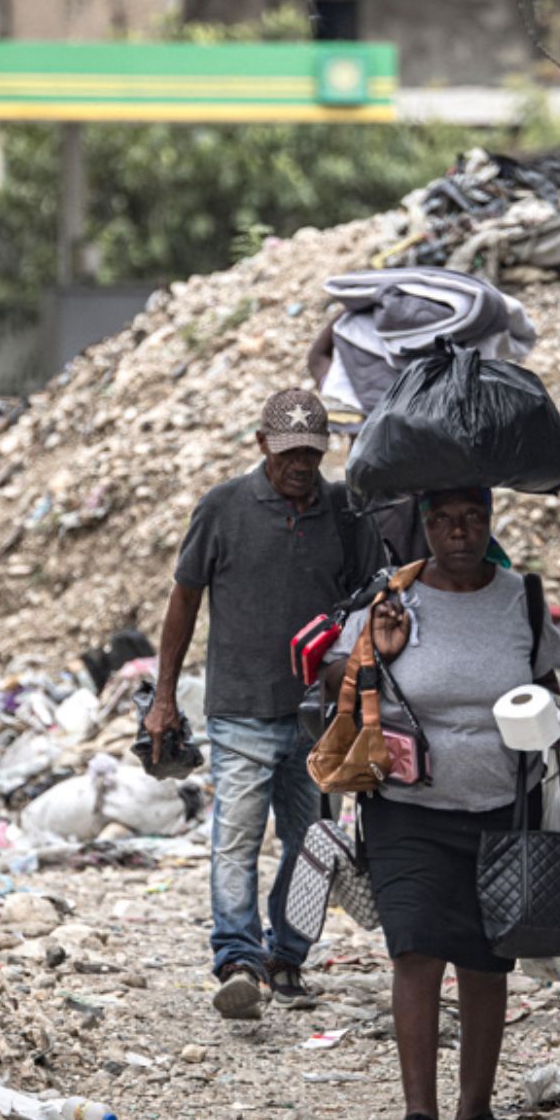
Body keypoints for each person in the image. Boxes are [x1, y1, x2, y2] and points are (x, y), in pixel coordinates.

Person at [321, 487, 560, 1120]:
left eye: (471, 519)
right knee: (416, 951)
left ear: (489, 524)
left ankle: (477, 1114)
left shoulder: (521, 596)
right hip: (407, 810)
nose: (458, 532)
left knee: (487, 961)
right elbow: (338, 675)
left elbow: (551, 685)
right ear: (425, 527)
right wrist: (383, 651)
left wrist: (547, 714)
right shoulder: (393, 597)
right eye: (443, 520)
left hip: (503, 807)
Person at [147, 388, 382, 1020]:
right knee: (238, 839)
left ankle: (288, 956)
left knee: (311, 844)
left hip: (316, 717)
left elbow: (367, 601)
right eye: (288, 453)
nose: (301, 464)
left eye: (311, 451)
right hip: (241, 708)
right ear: (261, 447)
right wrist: (163, 697)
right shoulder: (223, 508)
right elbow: (184, 600)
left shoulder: (344, 511)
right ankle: (238, 958)